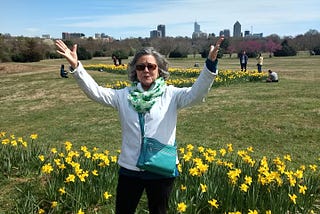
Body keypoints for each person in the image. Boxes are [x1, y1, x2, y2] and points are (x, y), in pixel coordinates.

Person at [55, 36, 224, 214]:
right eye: (140, 66)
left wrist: (210, 66)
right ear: (135, 71)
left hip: (161, 168)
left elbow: (196, 94)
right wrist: (77, 67)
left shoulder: (171, 95)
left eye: (151, 66)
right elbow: (96, 92)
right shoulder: (123, 96)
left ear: (159, 69)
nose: (146, 70)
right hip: (130, 168)